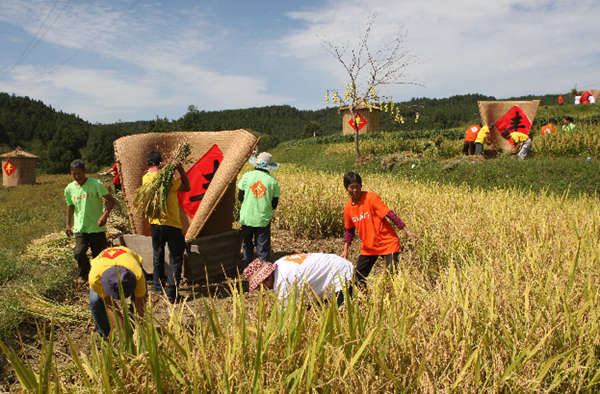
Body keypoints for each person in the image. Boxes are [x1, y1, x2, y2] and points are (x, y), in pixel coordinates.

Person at [341, 172, 419, 284]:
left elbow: (390, 214)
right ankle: (363, 299)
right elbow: (349, 230)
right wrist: (345, 250)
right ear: (346, 188)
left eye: (357, 186)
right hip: (369, 247)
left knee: (392, 277)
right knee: (358, 279)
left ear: (361, 186)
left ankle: (394, 299)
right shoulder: (348, 207)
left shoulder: (371, 198)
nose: (355, 190)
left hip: (387, 242)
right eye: (351, 187)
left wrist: (407, 231)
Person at [143, 151, 191, 303]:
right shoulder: (167, 178)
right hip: (171, 223)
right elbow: (187, 187)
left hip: (155, 223)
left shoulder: (146, 178)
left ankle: (157, 286)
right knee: (176, 256)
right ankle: (172, 291)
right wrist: (179, 168)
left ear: (147, 164)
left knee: (158, 254)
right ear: (160, 163)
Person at [65, 159, 115, 283]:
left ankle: (100, 279)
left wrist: (105, 215)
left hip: (96, 227)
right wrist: (67, 224)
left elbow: (111, 200)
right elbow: (70, 206)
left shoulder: (95, 184)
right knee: (79, 252)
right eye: (74, 174)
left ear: (84, 171)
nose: (77, 177)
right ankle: (85, 274)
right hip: (80, 227)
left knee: (99, 256)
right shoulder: (69, 189)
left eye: (79, 173)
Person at [242, 253, 353, 306]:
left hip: (342, 276)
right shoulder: (279, 264)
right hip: (337, 264)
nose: (261, 290)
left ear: (264, 279)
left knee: (339, 319)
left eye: (259, 286)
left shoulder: (282, 283)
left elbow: (285, 318)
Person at [89, 246, 147, 337]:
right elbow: (110, 306)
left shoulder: (137, 274)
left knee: (137, 301)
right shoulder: (95, 278)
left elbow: (140, 304)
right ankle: (105, 337)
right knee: (95, 300)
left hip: (129, 260)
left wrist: (138, 331)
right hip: (101, 265)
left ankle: (132, 327)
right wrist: (123, 334)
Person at [237, 152, 281, 267]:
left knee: (247, 244)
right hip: (263, 218)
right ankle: (262, 272)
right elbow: (274, 203)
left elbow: (240, 197)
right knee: (262, 247)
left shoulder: (246, 176)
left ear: (256, 164)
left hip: (247, 217)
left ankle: (248, 268)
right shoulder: (272, 181)